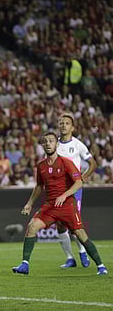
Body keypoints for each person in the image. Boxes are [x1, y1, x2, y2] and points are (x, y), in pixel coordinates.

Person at [12, 132, 107, 276]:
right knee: (32, 226)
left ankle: (101, 266)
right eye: (45, 142)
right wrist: (29, 203)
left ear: (56, 144)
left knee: (80, 234)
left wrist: (64, 195)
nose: (48, 144)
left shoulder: (66, 162)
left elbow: (79, 182)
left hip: (67, 205)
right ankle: (25, 265)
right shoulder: (41, 166)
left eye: (51, 141)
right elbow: (39, 186)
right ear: (43, 145)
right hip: (50, 205)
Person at [56, 113, 97, 268]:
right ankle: (69, 258)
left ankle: (82, 250)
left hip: (74, 189)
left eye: (66, 123)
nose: (63, 125)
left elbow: (92, 163)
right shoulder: (55, 146)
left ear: (72, 127)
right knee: (60, 224)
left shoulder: (78, 145)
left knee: (74, 223)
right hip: (58, 190)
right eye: (61, 123)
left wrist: (84, 178)